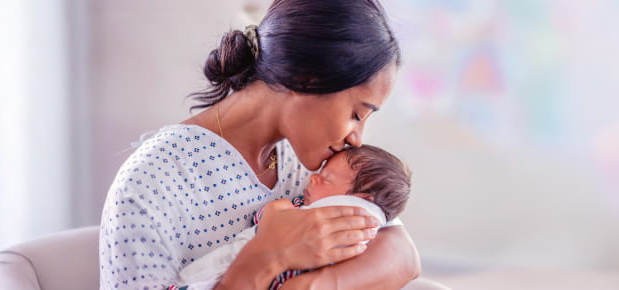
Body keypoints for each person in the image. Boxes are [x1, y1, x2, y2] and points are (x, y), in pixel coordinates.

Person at [99, 0, 422, 289]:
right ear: (308, 77)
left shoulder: (315, 165)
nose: (357, 138)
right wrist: (264, 259)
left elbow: (402, 251)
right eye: (356, 114)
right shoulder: (152, 182)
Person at [175, 145, 412, 290]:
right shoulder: (302, 205)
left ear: (361, 201)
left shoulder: (365, 231)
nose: (313, 179)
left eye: (326, 180)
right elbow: (264, 222)